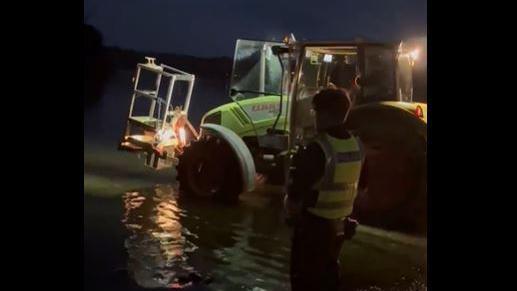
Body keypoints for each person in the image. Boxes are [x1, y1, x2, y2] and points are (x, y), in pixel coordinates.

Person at [285, 88, 367, 291]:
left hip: (313, 231)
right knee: (329, 280)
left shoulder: (318, 149)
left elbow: (295, 196)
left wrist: (290, 213)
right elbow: (361, 184)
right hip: (339, 230)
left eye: (316, 112)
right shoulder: (357, 146)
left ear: (324, 114)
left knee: (304, 282)